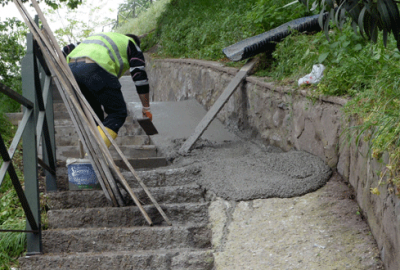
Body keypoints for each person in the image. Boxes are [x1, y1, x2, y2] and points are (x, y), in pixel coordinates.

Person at [64, 32, 152, 148]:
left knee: (95, 116)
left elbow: (67, 48)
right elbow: (139, 76)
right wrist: (146, 107)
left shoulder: (96, 39)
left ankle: (88, 158)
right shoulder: (130, 43)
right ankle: (97, 153)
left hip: (71, 70)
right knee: (117, 113)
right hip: (96, 67)